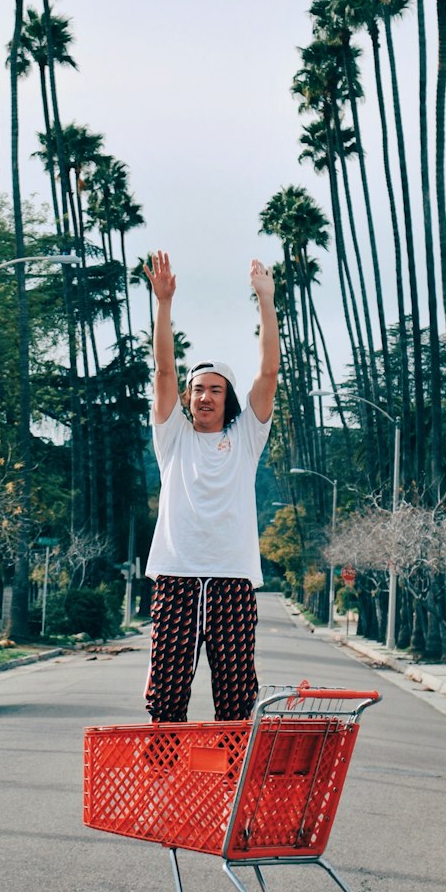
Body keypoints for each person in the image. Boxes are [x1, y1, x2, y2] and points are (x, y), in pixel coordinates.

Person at [141, 250, 279, 722]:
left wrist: (266, 300)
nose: (204, 396)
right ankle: (162, 781)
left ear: (228, 399)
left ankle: (231, 786)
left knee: (237, 696)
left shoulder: (245, 438)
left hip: (233, 578)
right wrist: (164, 304)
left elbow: (268, 374)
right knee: (166, 694)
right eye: (198, 389)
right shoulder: (173, 436)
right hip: (176, 576)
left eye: (215, 390)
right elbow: (163, 371)